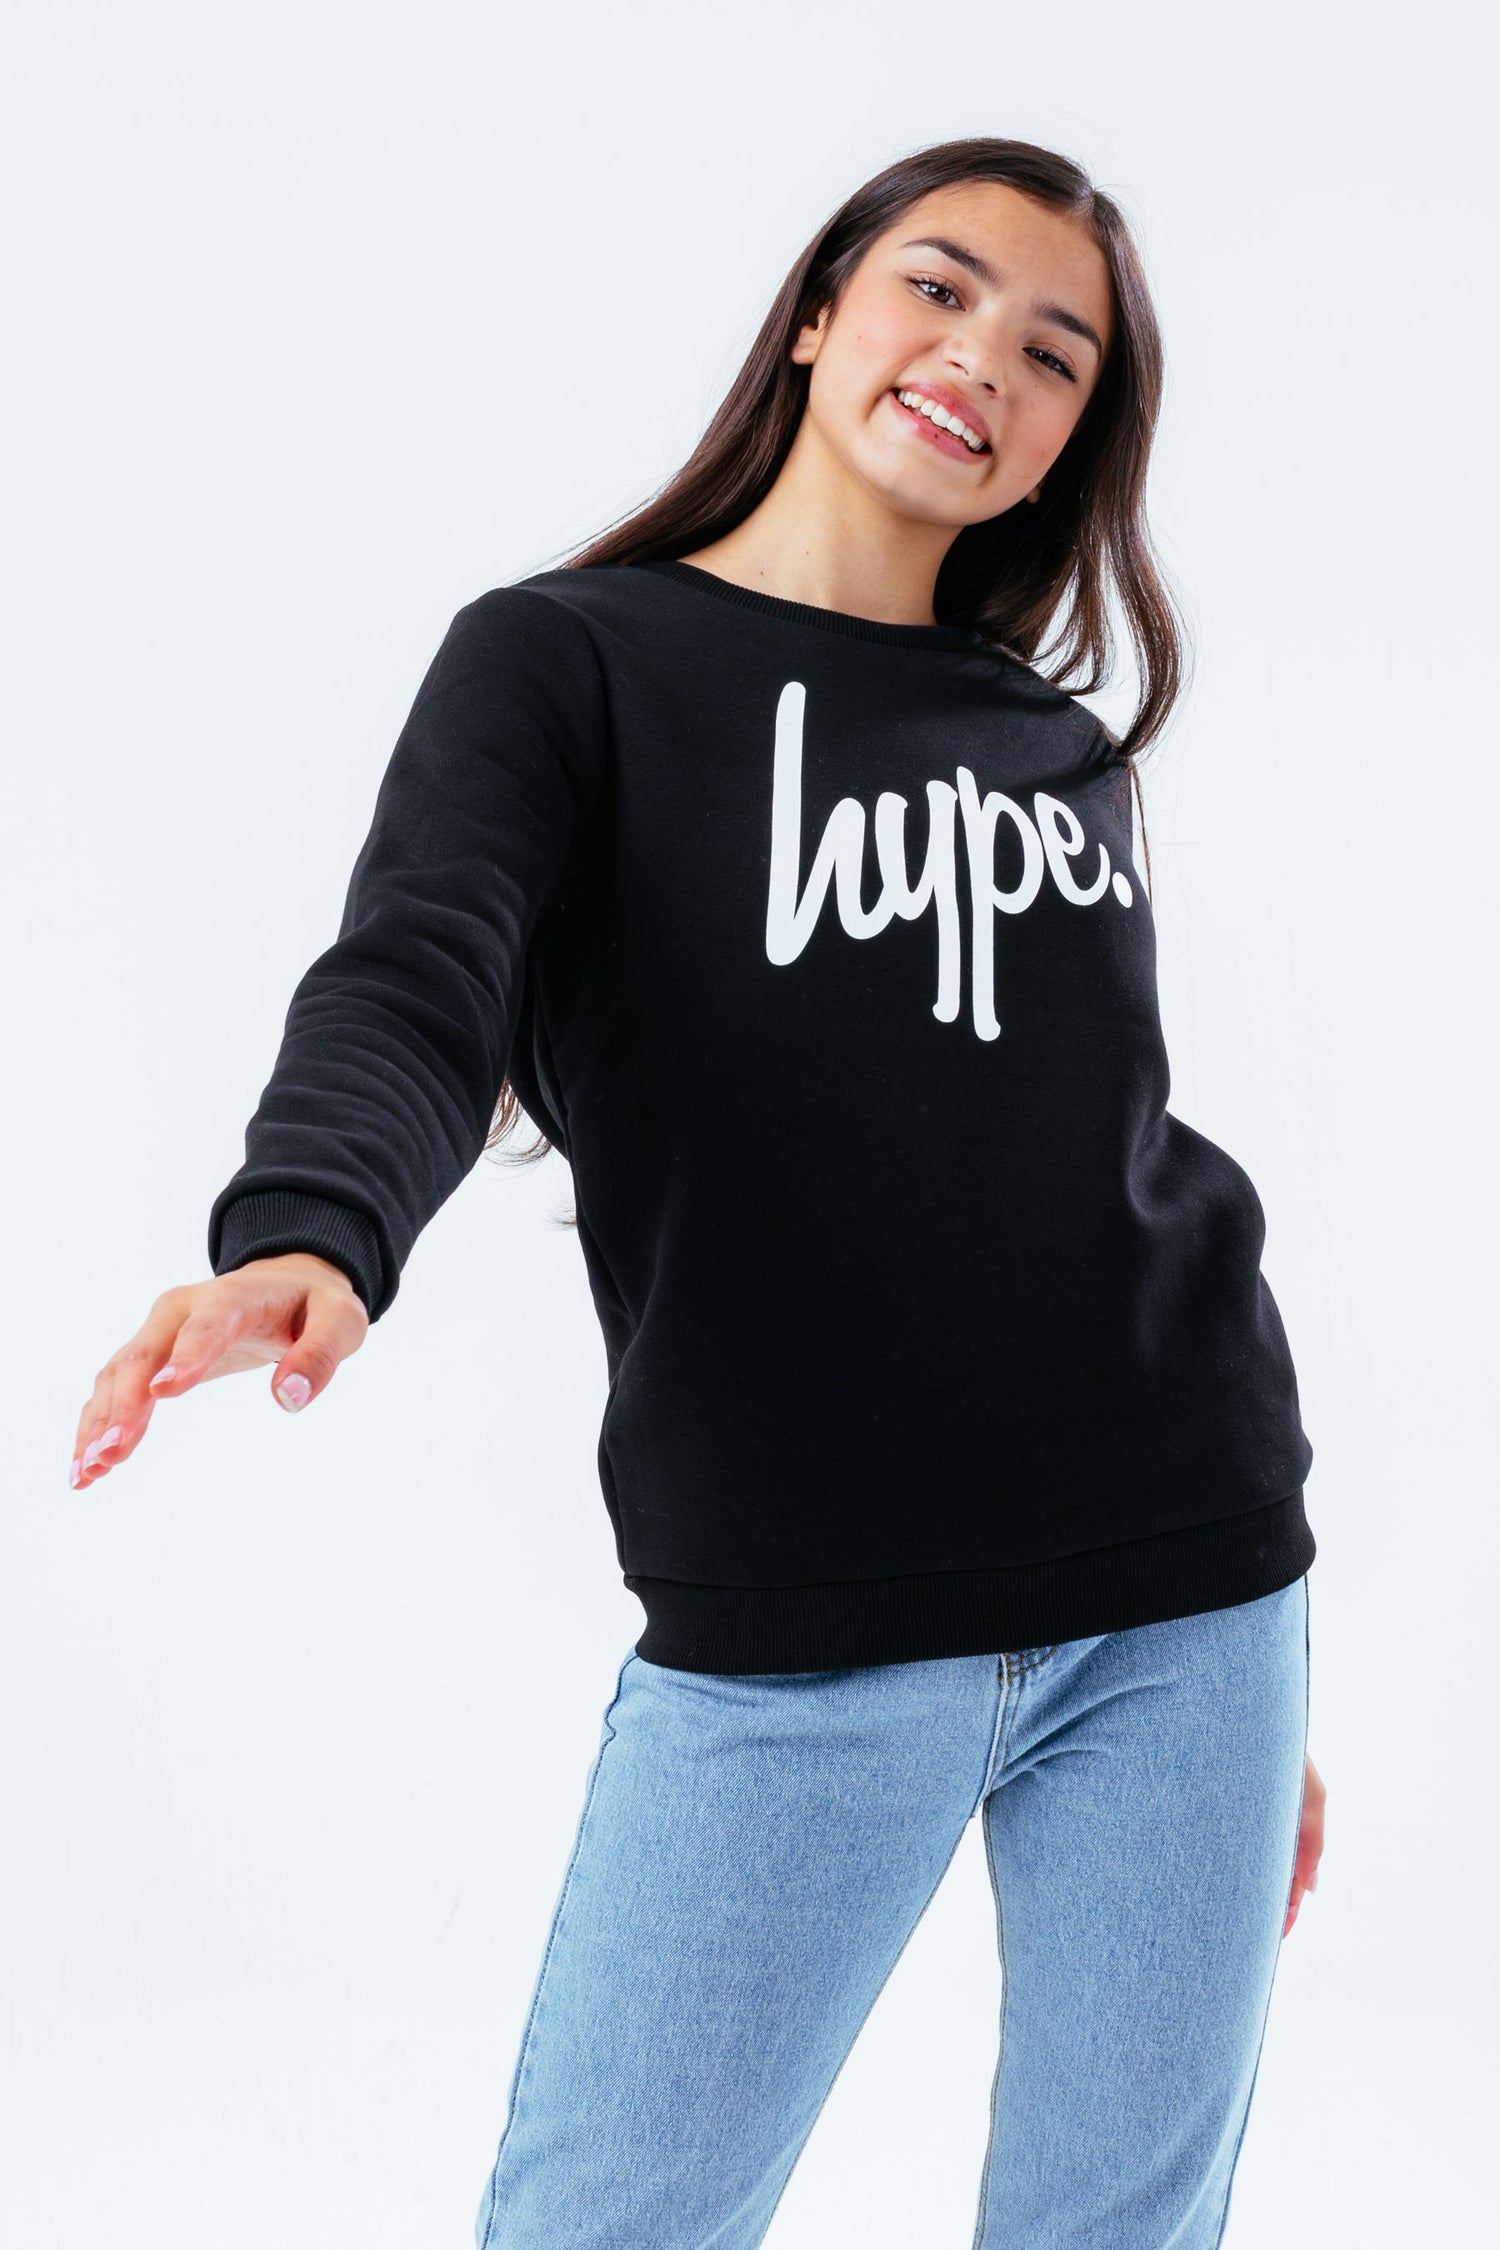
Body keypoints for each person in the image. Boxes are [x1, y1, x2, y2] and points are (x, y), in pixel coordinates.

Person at [69, 135, 1327, 2248]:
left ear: (1070, 441)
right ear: (822, 311)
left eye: (1056, 354)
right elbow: (427, 969)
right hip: (801, 1619)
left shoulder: (1055, 748)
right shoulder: (569, 663)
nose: (984, 360)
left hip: (1194, 1589)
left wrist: (1259, 1672)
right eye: (941, 288)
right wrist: (311, 1221)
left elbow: (1090, 1147)